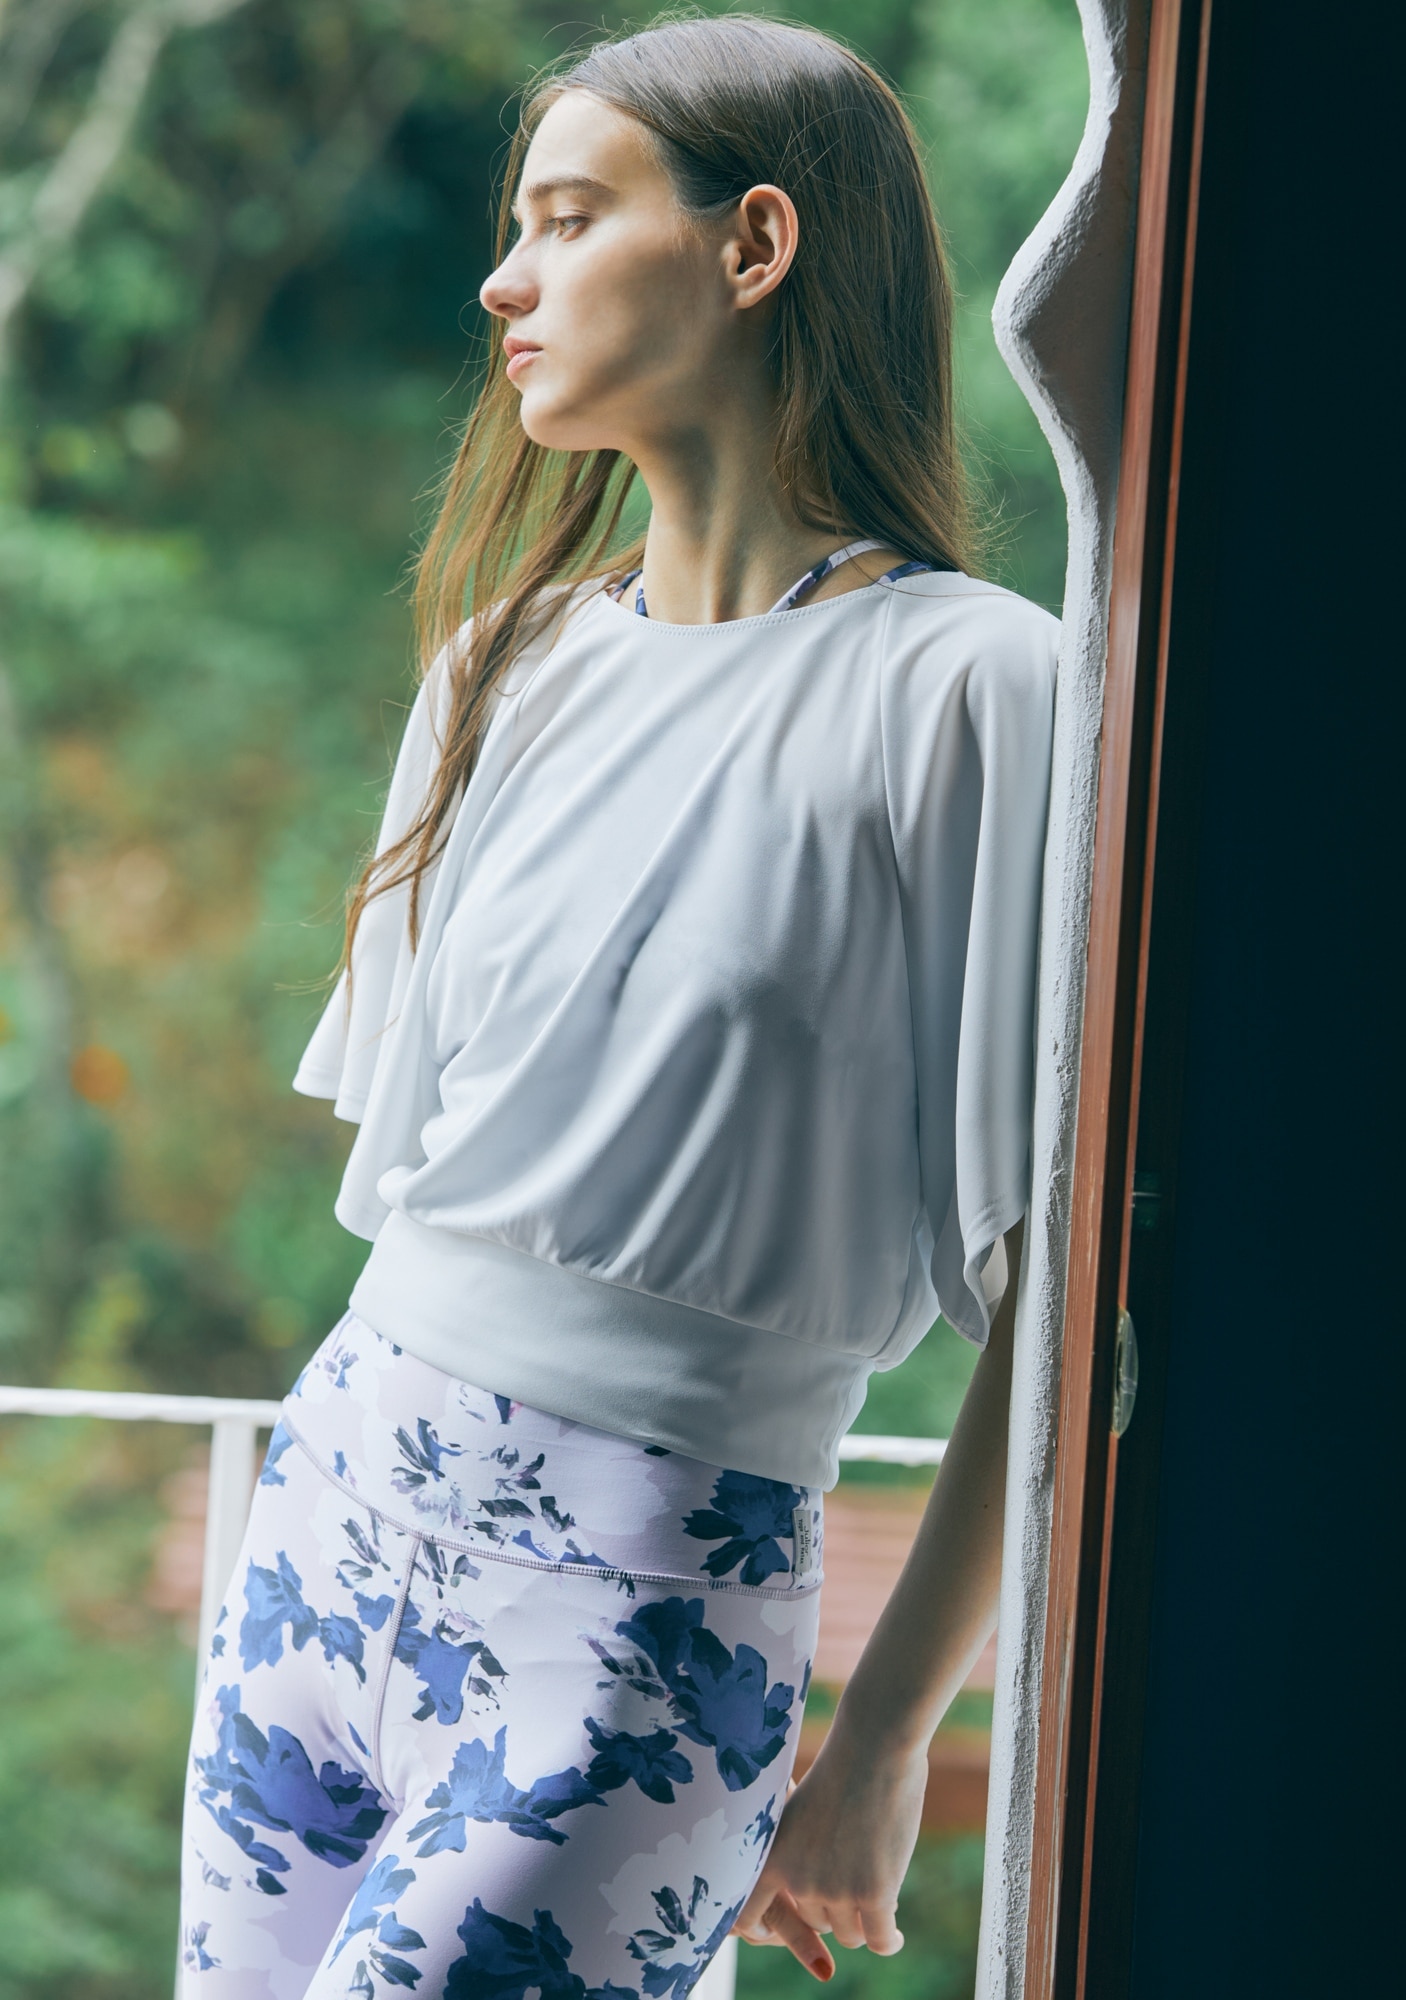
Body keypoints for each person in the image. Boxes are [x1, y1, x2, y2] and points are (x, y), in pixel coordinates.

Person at [177, 14, 1056, 1996]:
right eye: (518, 228)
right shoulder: (504, 665)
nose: (507, 280)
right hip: (326, 1531)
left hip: (641, 1625)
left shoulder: (975, 689)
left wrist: (882, 1739)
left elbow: (1070, 1309)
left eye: (570, 220)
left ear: (756, 245)